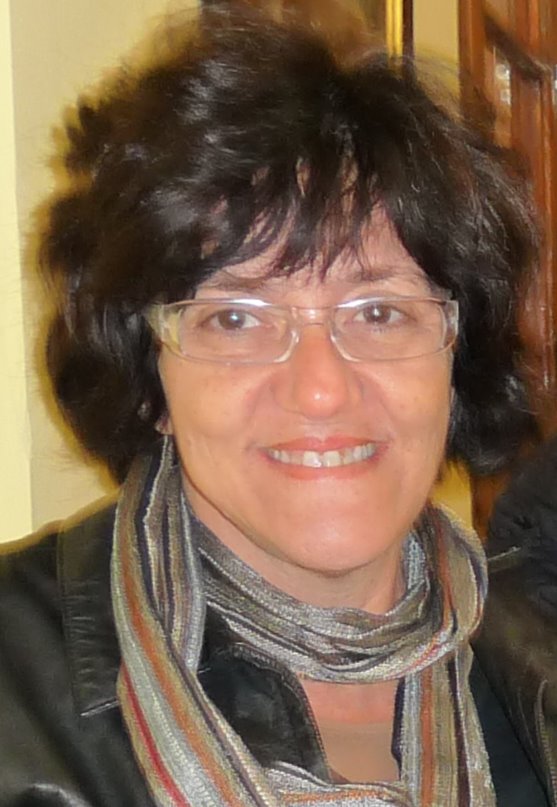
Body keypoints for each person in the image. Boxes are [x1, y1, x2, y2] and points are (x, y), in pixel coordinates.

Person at [0, 6, 554, 806]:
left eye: (378, 311)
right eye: (235, 318)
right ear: (151, 379)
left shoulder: (536, 670)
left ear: (454, 355)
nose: (320, 387)